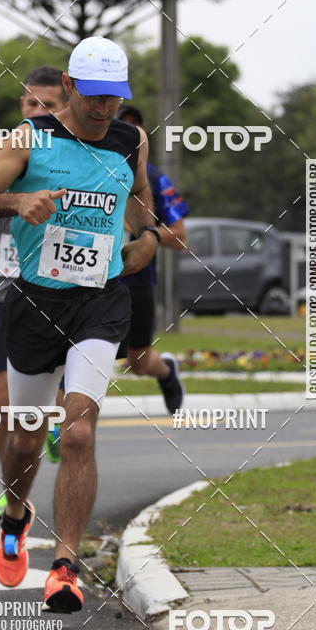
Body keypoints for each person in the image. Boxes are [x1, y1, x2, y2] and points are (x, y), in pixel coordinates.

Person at [0, 36, 160, 613]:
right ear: (68, 87)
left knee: (77, 432)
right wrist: (16, 204)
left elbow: (140, 194)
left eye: (114, 99)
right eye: (94, 97)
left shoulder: (130, 139)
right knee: (25, 438)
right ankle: (16, 515)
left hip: (99, 301)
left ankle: (66, 566)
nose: (104, 111)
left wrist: (145, 236)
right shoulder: (30, 138)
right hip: (32, 303)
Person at [0, 66, 68, 519]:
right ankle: (13, 489)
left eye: (48, 106)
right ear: (21, 106)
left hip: (63, 289)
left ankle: (51, 423)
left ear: (65, 105)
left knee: (68, 408)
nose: (38, 113)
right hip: (7, 288)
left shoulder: (74, 151)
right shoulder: (5, 148)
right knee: (1, 402)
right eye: (31, 104)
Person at [117, 104, 188, 414]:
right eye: (122, 127)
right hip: (87, 280)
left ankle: (167, 371)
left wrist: (149, 236)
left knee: (139, 362)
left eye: (136, 130)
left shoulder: (155, 179)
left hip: (137, 280)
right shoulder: (81, 165)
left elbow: (180, 236)